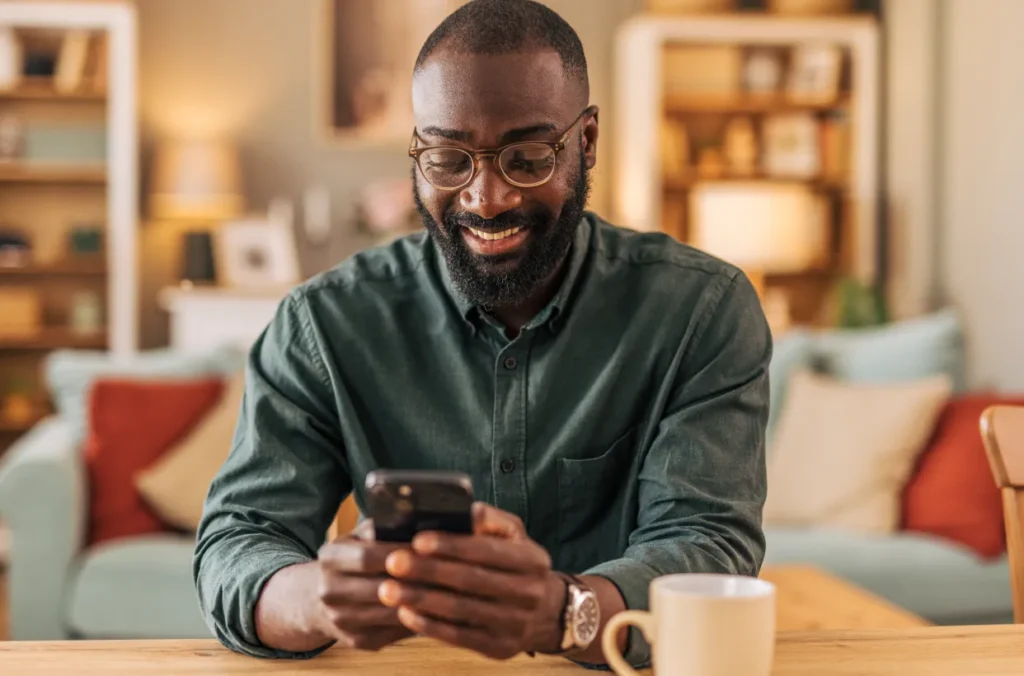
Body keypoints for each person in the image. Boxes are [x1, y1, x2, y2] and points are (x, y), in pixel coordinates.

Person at [194, 0, 770, 668]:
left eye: (526, 157)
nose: (485, 197)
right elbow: (238, 542)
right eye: (447, 158)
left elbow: (707, 544)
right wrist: (320, 597)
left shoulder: (701, 311)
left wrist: (562, 613)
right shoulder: (323, 325)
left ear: (586, 142)